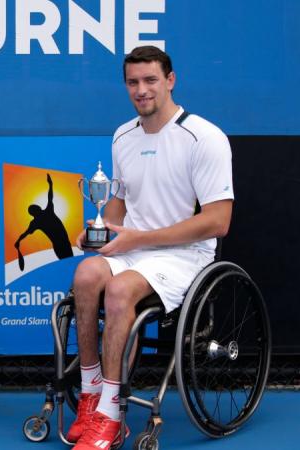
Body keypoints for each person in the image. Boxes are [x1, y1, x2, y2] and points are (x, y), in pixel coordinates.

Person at [67, 46, 234, 450]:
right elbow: (122, 206)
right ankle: (91, 395)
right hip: (134, 248)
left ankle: (111, 412)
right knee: (86, 274)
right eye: (133, 82)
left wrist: (136, 239)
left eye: (150, 81)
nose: (141, 90)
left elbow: (218, 221)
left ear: (171, 80)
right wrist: (101, 231)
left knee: (121, 290)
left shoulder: (205, 137)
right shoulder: (123, 135)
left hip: (185, 255)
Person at [14, 173, 73, 270]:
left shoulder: (36, 222)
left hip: (61, 245)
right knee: (69, 266)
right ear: (36, 211)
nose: (38, 206)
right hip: (63, 244)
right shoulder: (47, 212)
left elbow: (25, 234)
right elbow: (50, 197)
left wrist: (18, 241)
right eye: (36, 207)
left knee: (67, 266)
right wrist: (50, 184)